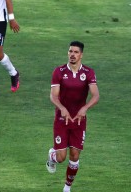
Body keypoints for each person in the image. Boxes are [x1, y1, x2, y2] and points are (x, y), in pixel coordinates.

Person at [46, 41, 100, 192]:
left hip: (79, 121)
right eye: (70, 51)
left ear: (81, 55)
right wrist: (62, 108)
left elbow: (96, 95)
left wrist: (85, 108)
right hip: (62, 120)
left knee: (75, 156)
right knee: (61, 157)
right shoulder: (59, 72)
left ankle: (66, 188)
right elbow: (53, 96)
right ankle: (52, 156)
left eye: (76, 52)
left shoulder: (89, 73)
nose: (72, 54)